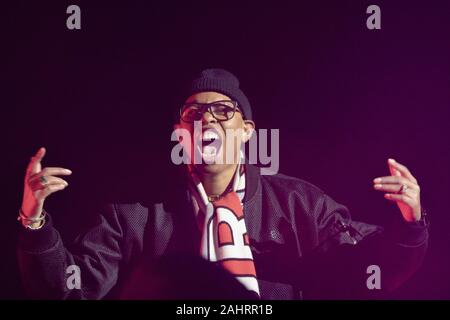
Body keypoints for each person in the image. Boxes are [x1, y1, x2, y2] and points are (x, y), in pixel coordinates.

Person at [17, 68, 429, 299]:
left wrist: (410, 225)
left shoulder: (299, 203)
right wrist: (35, 222)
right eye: (193, 113)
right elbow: (70, 290)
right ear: (180, 133)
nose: (207, 119)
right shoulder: (133, 214)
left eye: (221, 110)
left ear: (246, 130)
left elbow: (366, 271)